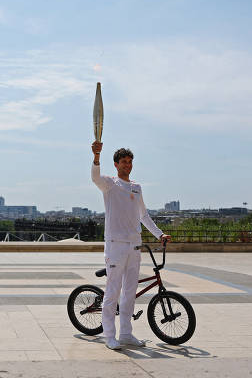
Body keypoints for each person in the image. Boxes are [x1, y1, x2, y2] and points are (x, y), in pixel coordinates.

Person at [91, 140, 171, 350]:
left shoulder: (136, 188)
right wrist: (96, 156)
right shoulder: (109, 184)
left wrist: (160, 234)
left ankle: (126, 334)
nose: (127, 165)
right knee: (112, 292)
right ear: (116, 164)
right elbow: (95, 177)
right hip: (116, 246)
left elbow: (143, 215)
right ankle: (110, 336)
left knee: (129, 292)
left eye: (130, 161)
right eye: (124, 162)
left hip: (134, 246)